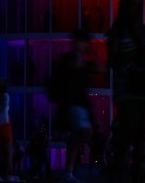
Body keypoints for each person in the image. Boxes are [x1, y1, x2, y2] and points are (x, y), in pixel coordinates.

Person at [107, 0, 145, 183]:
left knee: (141, 130)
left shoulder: (142, 31)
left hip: (143, 86)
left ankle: (134, 169)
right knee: (131, 129)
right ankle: (126, 167)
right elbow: (113, 60)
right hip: (131, 86)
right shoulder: (119, 32)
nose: (136, 10)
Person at [54, 29, 103, 183]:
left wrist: (93, 53)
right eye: (81, 42)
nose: (83, 45)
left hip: (79, 103)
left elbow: (100, 69)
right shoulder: (70, 59)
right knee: (84, 132)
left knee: (82, 135)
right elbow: (66, 72)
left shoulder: (81, 60)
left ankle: (69, 171)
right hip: (72, 102)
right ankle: (69, 171)